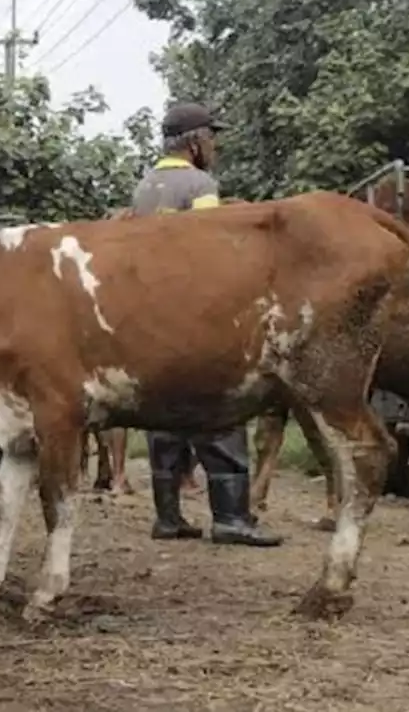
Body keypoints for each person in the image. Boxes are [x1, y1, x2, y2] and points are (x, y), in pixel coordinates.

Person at [130, 103, 283, 548]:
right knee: (219, 409)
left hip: (150, 315)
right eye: (211, 138)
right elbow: (209, 247)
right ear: (195, 141)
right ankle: (232, 518)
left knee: (164, 411)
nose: (215, 146)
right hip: (194, 312)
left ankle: (168, 516)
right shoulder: (200, 184)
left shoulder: (145, 186)